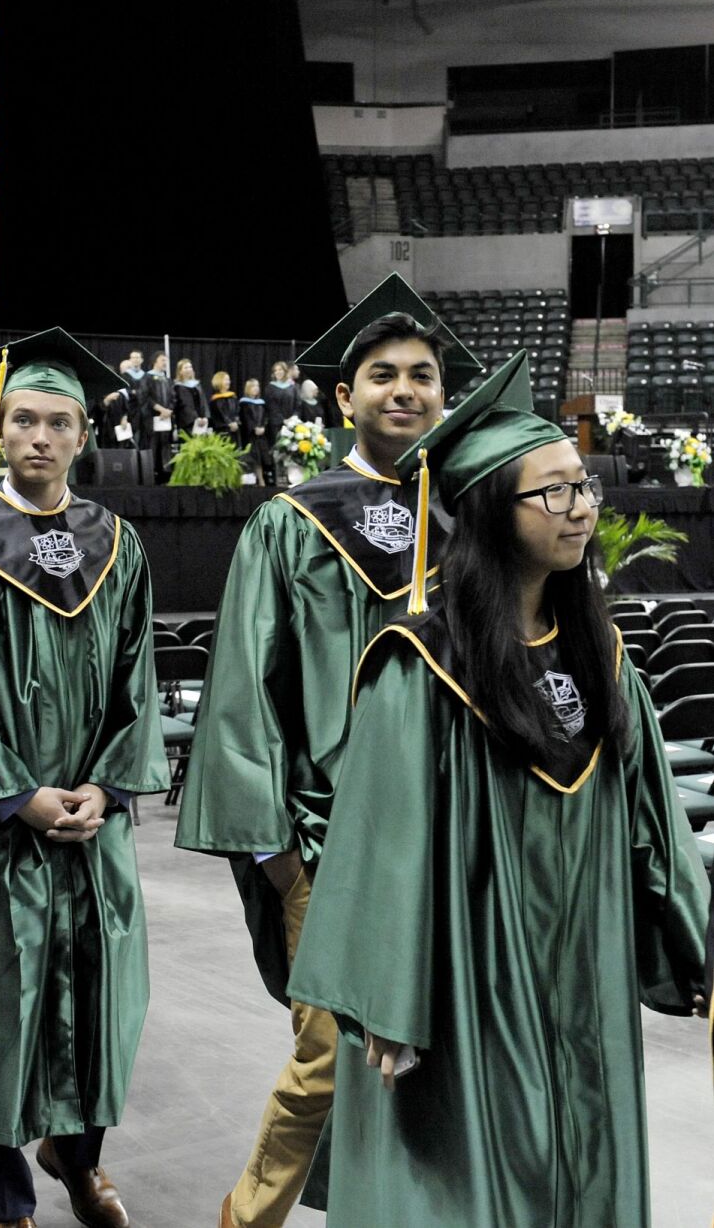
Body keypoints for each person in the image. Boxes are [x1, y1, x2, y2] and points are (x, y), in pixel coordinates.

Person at [290, 352, 709, 1227]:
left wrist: (695, 938)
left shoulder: (602, 658)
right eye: (553, 493)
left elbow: (655, 826)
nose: (581, 509)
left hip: (584, 964)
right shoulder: (423, 668)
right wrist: (385, 1001)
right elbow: (385, 846)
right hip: (470, 971)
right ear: (490, 510)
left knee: (582, 1157)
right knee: (483, 1176)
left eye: (584, 488)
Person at [174, 274, 481, 1228]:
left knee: (436, 1050)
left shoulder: (472, 524)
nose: (405, 390)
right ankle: (247, 1216)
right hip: (327, 832)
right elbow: (241, 694)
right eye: (382, 375)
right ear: (343, 398)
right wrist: (269, 849)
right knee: (332, 1048)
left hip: (455, 831)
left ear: (444, 393)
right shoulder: (292, 520)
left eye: (423, 376)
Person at [0, 329, 170, 1228]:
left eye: (59, 422)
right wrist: (20, 796)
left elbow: (138, 673)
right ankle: (2, 1198)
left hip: (93, 823)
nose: (41, 437)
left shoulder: (117, 545)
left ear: (83, 433)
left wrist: (108, 787)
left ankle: (78, 1155)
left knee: (100, 1001)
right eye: (25, 420)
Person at [238, 379, 268, 485]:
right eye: (253, 386)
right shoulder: (243, 403)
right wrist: (254, 428)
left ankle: (261, 479)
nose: (256, 388)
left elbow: (265, 417)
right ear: (248, 388)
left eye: (257, 386)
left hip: (261, 435)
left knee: (260, 457)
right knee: (252, 457)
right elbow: (245, 418)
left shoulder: (262, 403)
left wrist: (263, 427)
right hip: (249, 435)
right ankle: (257, 480)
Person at [172, 360, 205, 436]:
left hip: (200, 421)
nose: (189, 369)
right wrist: (195, 418)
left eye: (190, 367)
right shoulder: (178, 387)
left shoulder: (197, 385)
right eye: (185, 368)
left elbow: (203, 402)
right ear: (180, 371)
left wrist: (204, 417)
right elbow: (185, 404)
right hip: (186, 422)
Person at [208, 371, 240, 442]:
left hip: (234, 431)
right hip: (222, 431)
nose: (228, 382)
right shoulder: (214, 400)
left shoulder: (233, 397)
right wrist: (229, 424)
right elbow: (219, 415)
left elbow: (237, 412)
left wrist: (236, 422)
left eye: (229, 380)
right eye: (226, 380)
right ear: (219, 381)